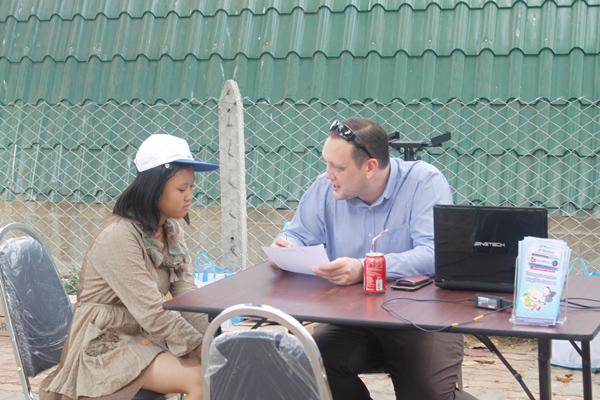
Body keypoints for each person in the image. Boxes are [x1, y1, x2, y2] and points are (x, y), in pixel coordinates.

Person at [270, 117, 476, 400]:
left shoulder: (423, 182)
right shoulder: (324, 188)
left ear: (369, 167)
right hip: (353, 317)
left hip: (421, 316)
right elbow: (298, 234)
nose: (328, 174)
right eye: (327, 163)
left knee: (426, 395)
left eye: (338, 167)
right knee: (311, 361)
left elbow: (435, 253)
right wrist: (286, 245)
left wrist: (365, 268)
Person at [40, 133, 218, 400]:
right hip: (105, 345)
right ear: (154, 187)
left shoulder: (170, 230)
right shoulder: (119, 236)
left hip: (141, 336)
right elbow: (153, 312)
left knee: (218, 368)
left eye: (192, 187)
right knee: (202, 380)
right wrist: (202, 347)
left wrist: (215, 340)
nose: (190, 196)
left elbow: (187, 297)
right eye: (182, 189)